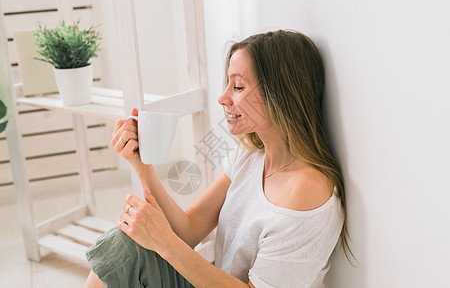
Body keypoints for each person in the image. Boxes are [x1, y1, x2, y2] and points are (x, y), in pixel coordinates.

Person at [84, 30, 352, 288]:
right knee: (125, 247)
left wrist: (164, 242)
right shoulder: (248, 158)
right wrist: (142, 166)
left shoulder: (307, 189)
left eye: (237, 86)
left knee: (130, 249)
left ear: (281, 95)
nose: (222, 98)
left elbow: (177, 242)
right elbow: (188, 231)